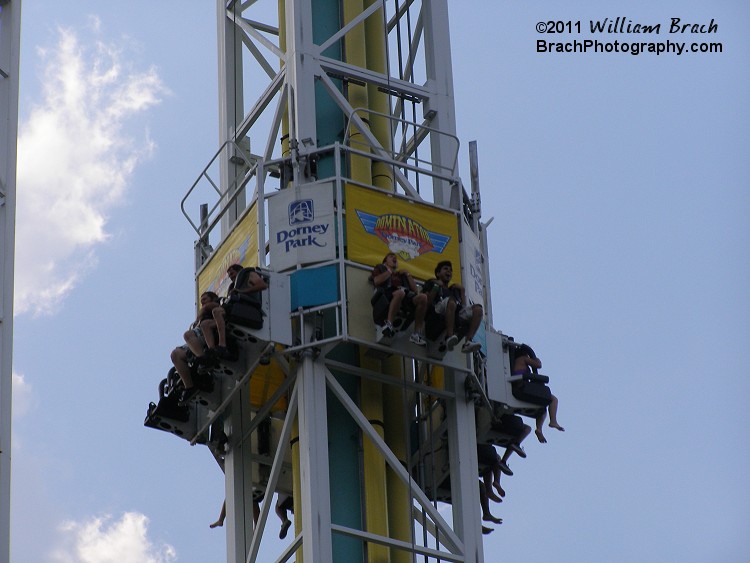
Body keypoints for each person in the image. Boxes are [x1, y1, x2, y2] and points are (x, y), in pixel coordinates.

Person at [170, 291, 221, 404]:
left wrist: (204, 310)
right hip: (196, 339)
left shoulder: (214, 306)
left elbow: (214, 307)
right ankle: (189, 387)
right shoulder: (198, 319)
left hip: (207, 333)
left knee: (187, 334)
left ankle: (203, 359)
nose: (202, 301)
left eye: (205, 299)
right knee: (175, 354)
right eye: (201, 299)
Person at [423, 260, 483, 353]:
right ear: (438, 273)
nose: (449, 272)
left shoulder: (453, 290)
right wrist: (436, 286)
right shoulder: (431, 282)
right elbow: (427, 302)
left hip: (451, 311)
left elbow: (463, 308)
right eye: (445, 269)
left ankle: (468, 341)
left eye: (450, 270)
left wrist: (462, 292)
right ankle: (449, 336)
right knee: (450, 302)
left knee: (478, 309)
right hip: (435, 312)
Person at [370, 252, 428, 345]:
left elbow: (415, 290)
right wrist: (389, 271)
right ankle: (389, 323)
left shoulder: (401, 275)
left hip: (404, 296)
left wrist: (407, 274)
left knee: (423, 297)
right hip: (388, 294)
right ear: (385, 262)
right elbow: (376, 281)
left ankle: (416, 334)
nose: (394, 258)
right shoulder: (381, 268)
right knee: (400, 293)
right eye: (391, 257)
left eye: (395, 257)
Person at [211, 264, 268, 358]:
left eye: (232, 274)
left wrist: (241, 292)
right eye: (229, 276)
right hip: (237, 308)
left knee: (216, 312)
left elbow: (262, 285)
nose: (231, 277)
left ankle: (222, 345)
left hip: (249, 308)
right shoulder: (234, 287)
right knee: (207, 324)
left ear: (239, 270)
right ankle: (213, 352)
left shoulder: (248, 274)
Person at [513, 344, 564, 443]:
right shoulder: (522, 359)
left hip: (521, 386)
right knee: (553, 399)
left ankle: (539, 429)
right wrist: (537, 360)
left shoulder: (516, 362)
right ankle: (553, 421)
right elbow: (538, 365)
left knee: (542, 407)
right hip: (521, 387)